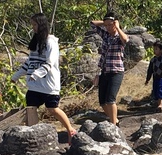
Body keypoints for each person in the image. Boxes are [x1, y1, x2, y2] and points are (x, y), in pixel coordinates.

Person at [12, 13, 77, 142]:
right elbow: (29, 62)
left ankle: (70, 129)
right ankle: (34, 135)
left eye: (35, 25)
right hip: (34, 86)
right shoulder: (35, 43)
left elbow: (50, 62)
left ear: (41, 25)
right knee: (31, 108)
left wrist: (37, 74)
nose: (33, 27)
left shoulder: (50, 43)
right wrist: (16, 76)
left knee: (52, 108)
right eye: (32, 25)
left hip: (48, 84)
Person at [92, 12, 129, 126]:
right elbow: (92, 24)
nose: (108, 27)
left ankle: (113, 125)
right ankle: (116, 120)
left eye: (110, 25)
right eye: (106, 25)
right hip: (104, 71)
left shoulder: (120, 37)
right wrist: (105, 22)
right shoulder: (106, 35)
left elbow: (126, 40)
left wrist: (117, 27)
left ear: (115, 23)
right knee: (102, 101)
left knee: (110, 100)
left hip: (116, 71)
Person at [145, 40, 162, 112]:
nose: (154, 51)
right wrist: (147, 79)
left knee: (160, 89)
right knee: (155, 90)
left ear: (161, 50)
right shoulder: (153, 60)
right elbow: (150, 70)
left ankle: (160, 105)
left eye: (156, 49)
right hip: (155, 77)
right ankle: (157, 104)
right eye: (154, 49)